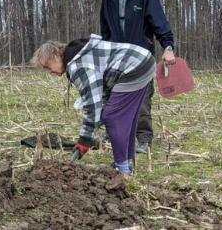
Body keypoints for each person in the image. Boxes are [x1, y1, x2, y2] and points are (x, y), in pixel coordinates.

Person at [31, 35, 156, 174]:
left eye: (48, 66)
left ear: (55, 56)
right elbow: (104, 85)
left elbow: (91, 102)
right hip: (143, 61)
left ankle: (122, 169)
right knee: (121, 117)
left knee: (113, 117)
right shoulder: (78, 54)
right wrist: (97, 118)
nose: (50, 71)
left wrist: (85, 139)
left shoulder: (78, 65)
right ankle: (124, 162)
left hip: (135, 67)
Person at [100, 0, 175, 154]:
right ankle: (113, 132)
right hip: (116, 57)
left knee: (142, 99)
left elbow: (160, 24)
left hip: (141, 57)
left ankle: (143, 139)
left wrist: (168, 47)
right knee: (112, 97)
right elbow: (105, 30)